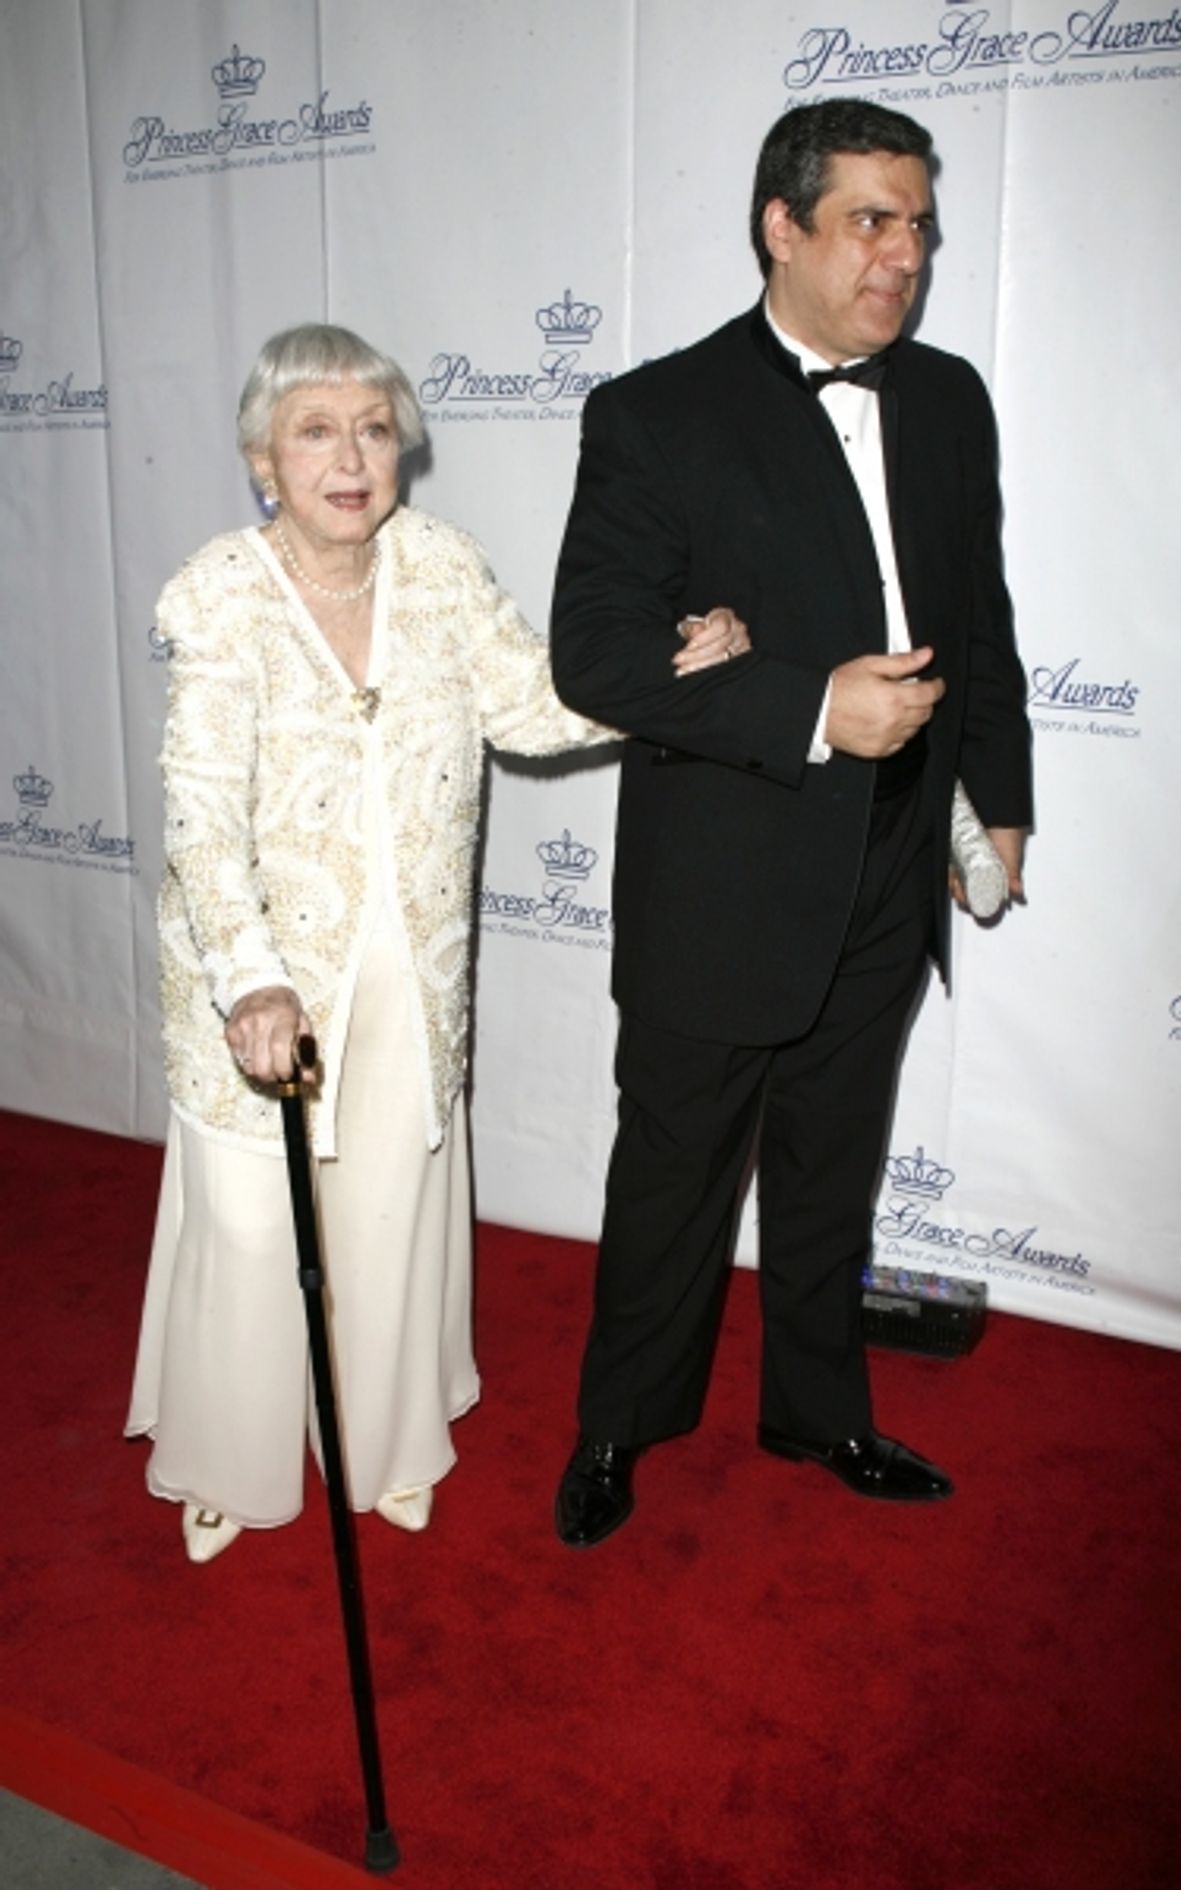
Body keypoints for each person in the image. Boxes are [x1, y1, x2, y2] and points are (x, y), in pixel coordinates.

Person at [125, 322, 746, 1563]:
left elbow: (534, 702)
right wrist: (248, 976)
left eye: (371, 429)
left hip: (412, 958)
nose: (350, 457)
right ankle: (229, 1450)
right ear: (265, 458)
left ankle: (387, 1440)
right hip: (260, 970)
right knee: (254, 1221)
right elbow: (198, 814)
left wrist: (671, 668)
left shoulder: (444, 569)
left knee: (394, 1204)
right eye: (316, 432)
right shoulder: (222, 593)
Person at [549, 100, 1033, 1548]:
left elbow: (983, 622)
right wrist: (810, 704)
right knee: (677, 1171)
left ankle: (818, 1407)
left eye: (920, 222)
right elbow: (597, 655)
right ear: (784, 224)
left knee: (837, 1155)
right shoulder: (655, 411)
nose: (906, 254)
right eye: (872, 221)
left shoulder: (948, 400)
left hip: (894, 858)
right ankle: (619, 1426)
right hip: (727, 866)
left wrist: (998, 798)